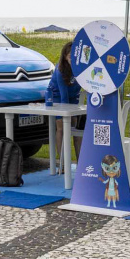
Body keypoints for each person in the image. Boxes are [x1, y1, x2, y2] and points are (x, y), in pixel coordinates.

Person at [46, 41, 85, 170]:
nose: (72, 59)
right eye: (70, 56)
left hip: (73, 98)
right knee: (62, 127)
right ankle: (62, 163)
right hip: (57, 98)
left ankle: (81, 164)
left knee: (76, 129)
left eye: (75, 56)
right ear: (65, 56)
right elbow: (63, 95)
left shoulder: (82, 68)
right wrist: (66, 114)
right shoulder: (60, 70)